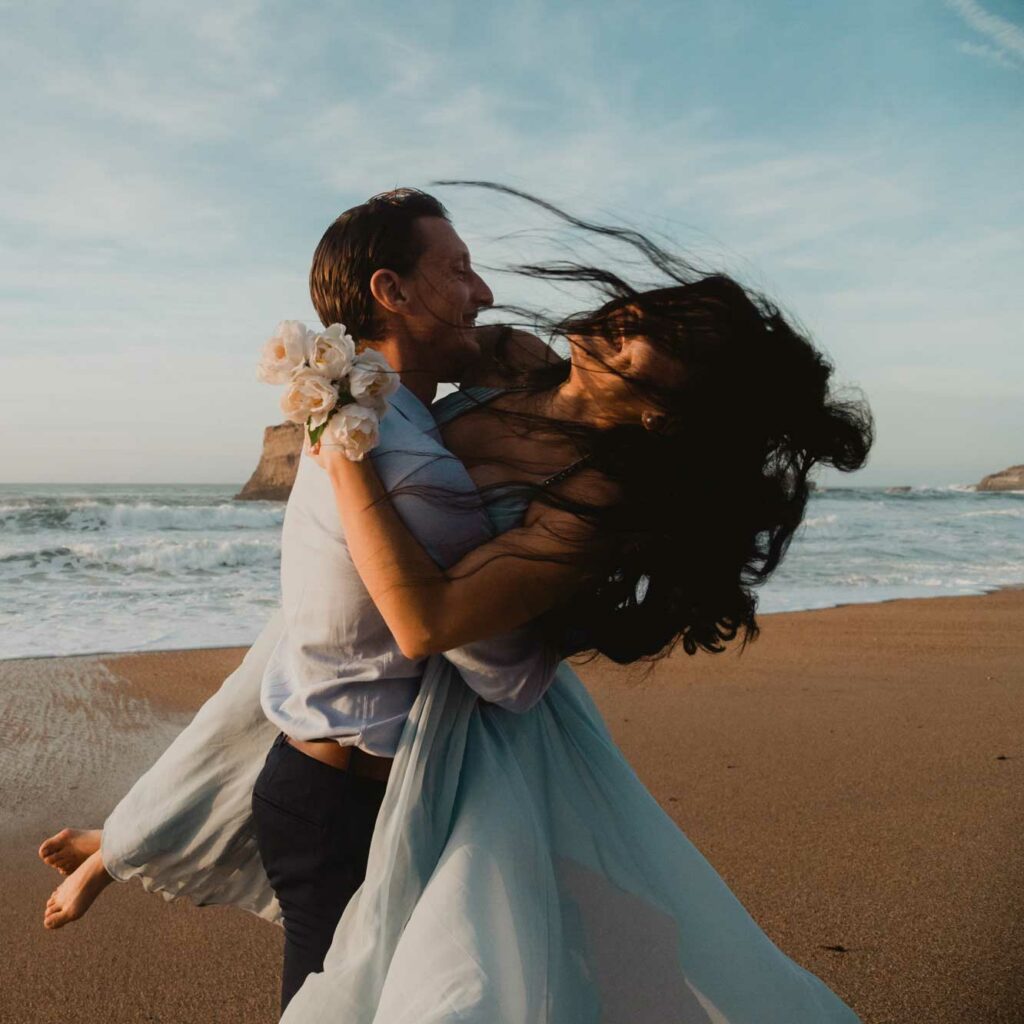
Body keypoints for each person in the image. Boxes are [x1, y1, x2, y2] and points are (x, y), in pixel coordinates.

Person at [41, 184, 874, 1022]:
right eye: (663, 305)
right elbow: (425, 349)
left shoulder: (595, 496)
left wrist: (340, 449)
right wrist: (360, 384)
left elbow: (436, 625)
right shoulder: (514, 362)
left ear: (667, 414)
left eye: (675, 338)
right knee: (277, 675)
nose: (638, 316)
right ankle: (124, 842)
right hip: (366, 736)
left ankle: (124, 844)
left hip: (452, 742)